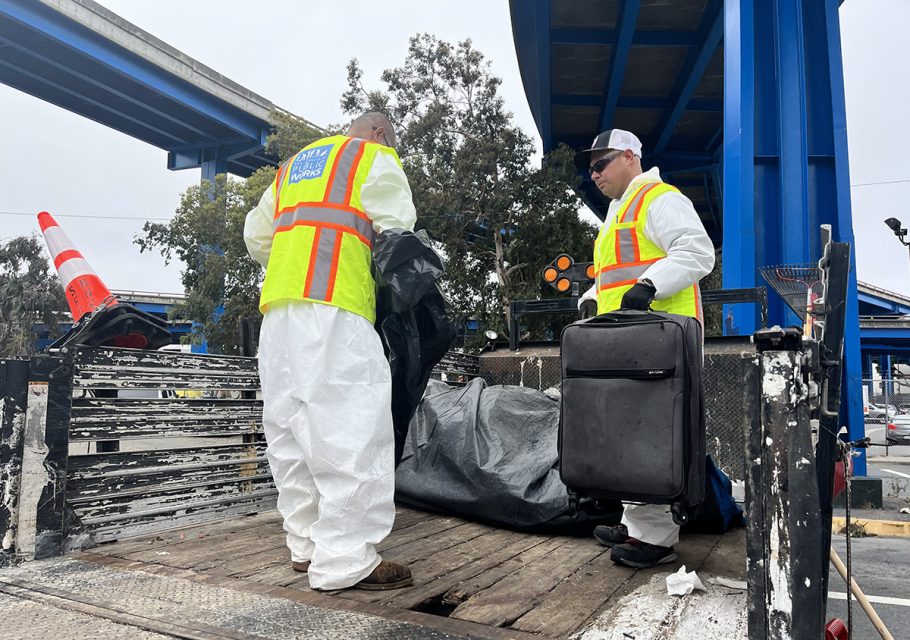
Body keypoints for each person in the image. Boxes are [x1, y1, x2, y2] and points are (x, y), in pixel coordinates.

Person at [244, 113, 416, 591]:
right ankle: (344, 560)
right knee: (352, 430)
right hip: (335, 306)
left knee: (289, 433)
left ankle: (304, 546)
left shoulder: (292, 168)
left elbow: (255, 238)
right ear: (381, 132)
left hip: (279, 314)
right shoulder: (372, 156)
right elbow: (399, 229)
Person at [573, 129, 715, 569]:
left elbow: (697, 252)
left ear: (631, 157)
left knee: (653, 433)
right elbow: (614, 274)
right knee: (628, 432)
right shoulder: (617, 212)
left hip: (664, 338)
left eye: (602, 163)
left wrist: (650, 284)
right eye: (591, 167)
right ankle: (636, 523)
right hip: (630, 340)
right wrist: (591, 299)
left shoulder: (659, 198)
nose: (594, 173)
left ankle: (654, 538)